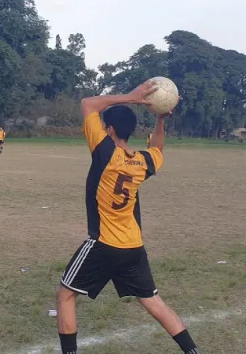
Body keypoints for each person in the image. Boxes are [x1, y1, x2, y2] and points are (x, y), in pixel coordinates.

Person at [56, 81, 199, 354]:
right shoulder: (142, 161)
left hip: (104, 244)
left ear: (109, 130)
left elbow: (88, 103)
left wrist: (132, 98)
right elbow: (158, 149)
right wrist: (159, 120)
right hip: (133, 246)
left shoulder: (106, 153)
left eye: (105, 127)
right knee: (153, 301)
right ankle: (192, 351)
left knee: (65, 295)